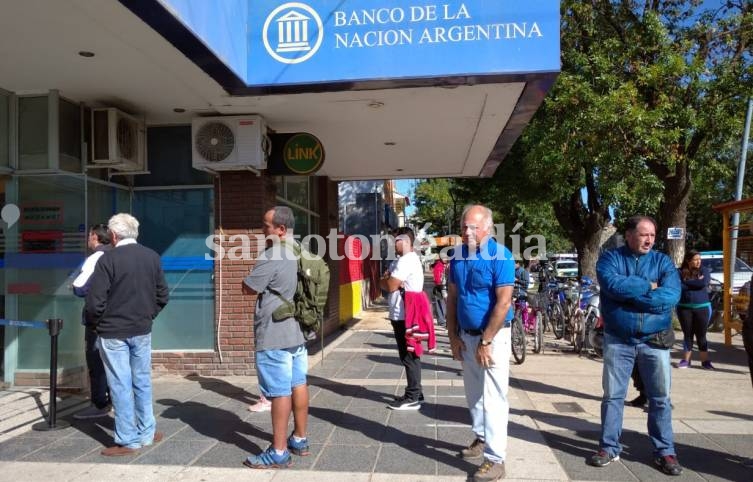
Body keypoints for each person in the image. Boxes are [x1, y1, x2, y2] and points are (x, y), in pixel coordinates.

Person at [591, 215, 682, 476]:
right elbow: (612, 286)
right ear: (629, 235)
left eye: (652, 235)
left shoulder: (663, 261)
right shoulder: (611, 259)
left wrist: (634, 298)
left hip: (654, 340)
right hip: (619, 339)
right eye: (644, 234)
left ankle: (665, 451)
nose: (649, 240)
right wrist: (648, 286)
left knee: (660, 399)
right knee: (613, 397)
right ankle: (608, 447)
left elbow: (671, 295)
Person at [84, 213, 169, 456]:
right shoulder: (151, 256)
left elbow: (94, 302)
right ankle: (147, 432)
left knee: (120, 384)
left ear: (112, 235)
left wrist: (95, 324)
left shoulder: (108, 259)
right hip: (141, 329)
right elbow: (162, 295)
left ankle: (128, 440)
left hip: (113, 332)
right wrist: (148, 315)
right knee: (141, 381)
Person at [446, 205, 515, 482]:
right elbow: (452, 298)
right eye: (464, 226)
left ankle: (496, 459)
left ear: (488, 228)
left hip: (493, 337)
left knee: (494, 399)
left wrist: (486, 340)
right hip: (466, 335)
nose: (467, 231)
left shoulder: (501, 256)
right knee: (474, 395)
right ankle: (482, 437)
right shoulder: (458, 256)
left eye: (473, 227)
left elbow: (504, 302)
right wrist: (452, 336)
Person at [242, 206, 310, 469]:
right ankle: (300, 439)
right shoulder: (302, 250)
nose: (263, 229)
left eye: (266, 225)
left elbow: (249, 287)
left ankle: (279, 452)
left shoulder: (273, 254)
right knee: (299, 383)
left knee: (279, 392)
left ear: (280, 229)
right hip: (297, 330)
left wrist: (246, 281)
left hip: (275, 331)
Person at [381, 227, 428, 410]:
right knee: (410, 354)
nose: (393, 244)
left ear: (406, 241)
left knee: (409, 355)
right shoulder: (403, 260)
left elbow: (390, 284)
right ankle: (417, 392)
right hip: (403, 313)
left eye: (396, 240)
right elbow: (390, 280)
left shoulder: (406, 261)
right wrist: (386, 279)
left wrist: (382, 281)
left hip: (405, 315)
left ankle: (413, 396)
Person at [72, 224, 113, 420]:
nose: (88, 239)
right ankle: (115, 400)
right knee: (115, 362)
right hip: (118, 319)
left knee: (96, 361)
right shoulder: (117, 255)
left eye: (89, 236)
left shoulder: (95, 258)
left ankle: (99, 403)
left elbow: (79, 287)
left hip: (98, 319)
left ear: (95, 237)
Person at [677, 249, 714, 369]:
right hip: (684, 308)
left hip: (702, 307)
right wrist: (695, 282)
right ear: (688, 261)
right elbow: (678, 285)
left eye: (699, 259)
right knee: (687, 335)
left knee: (701, 335)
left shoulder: (704, 270)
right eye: (695, 260)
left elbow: (703, 283)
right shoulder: (679, 271)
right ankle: (686, 361)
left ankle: (705, 361)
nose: (698, 262)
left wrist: (687, 283)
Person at [431, 255, 449, 327]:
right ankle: (441, 320)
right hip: (439, 287)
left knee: (443, 304)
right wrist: (440, 285)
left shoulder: (445, 265)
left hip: (444, 287)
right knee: (440, 304)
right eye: (444, 258)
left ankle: (443, 320)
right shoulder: (438, 266)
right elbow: (436, 278)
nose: (445, 259)